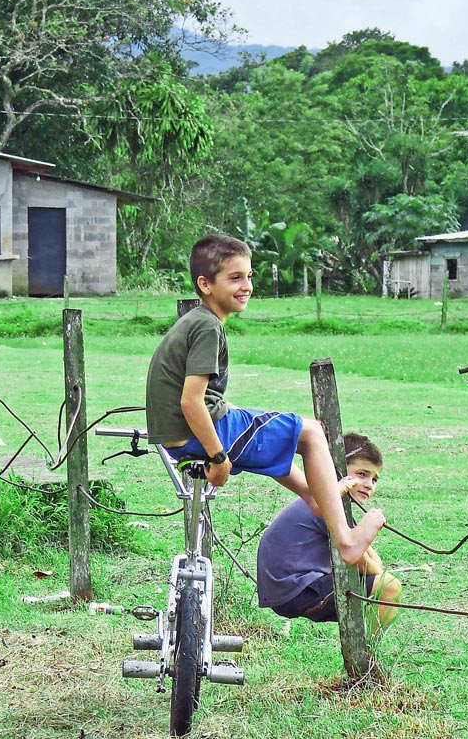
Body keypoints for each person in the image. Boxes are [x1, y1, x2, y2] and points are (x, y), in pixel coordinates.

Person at [145, 234, 382, 567]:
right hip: (198, 430)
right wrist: (219, 456)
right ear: (206, 284)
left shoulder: (195, 321)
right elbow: (191, 402)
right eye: (235, 277)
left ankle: (314, 496)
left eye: (250, 276)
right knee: (311, 432)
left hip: (177, 437)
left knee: (273, 433)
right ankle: (346, 540)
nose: (247, 286)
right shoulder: (208, 327)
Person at [257, 433, 401, 633]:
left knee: (382, 582)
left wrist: (373, 561)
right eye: (361, 474)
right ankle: (367, 655)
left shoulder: (333, 503)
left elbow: (368, 556)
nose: (369, 484)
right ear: (337, 471)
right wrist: (370, 533)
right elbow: (361, 562)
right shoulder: (327, 506)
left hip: (288, 590)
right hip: (295, 591)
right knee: (389, 587)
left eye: (374, 479)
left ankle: (364, 647)